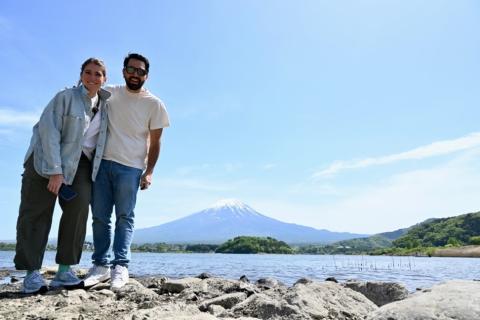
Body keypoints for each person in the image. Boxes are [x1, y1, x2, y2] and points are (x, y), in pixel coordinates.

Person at [14, 58, 110, 293]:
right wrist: (55, 171)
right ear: (80, 75)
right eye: (87, 72)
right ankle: (31, 274)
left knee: (78, 211)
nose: (92, 77)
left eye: (98, 74)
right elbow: (48, 132)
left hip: (80, 166)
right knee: (35, 214)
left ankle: (64, 271)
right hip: (43, 162)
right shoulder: (64, 97)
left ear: (104, 79)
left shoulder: (106, 106)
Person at [83, 53, 169, 290]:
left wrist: (149, 171)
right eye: (131, 70)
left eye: (140, 71)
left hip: (131, 168)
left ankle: (120, 266)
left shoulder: (155, 104)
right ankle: (100, 265)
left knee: (125, 217)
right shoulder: (109, 92)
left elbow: (156, 141)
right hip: (101, 164)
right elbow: (86, 91)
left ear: (146, 76)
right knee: (100, 217)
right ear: (123, 71)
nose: (135, 74)